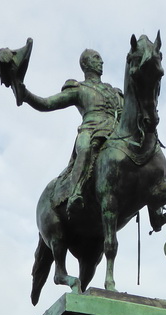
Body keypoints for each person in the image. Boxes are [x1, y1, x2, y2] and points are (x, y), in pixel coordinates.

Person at [13, 49, 123, 211]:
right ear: (86, 64)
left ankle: (154, 210)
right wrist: (26, 94)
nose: (101, 62)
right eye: (96, 58)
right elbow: (47, 103)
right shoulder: (79, 88)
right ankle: (76, 193)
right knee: (85, 149)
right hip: (91, 131)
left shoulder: (114, 92)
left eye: (100, 59)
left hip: (115, 133)